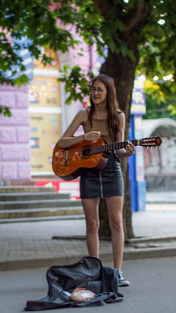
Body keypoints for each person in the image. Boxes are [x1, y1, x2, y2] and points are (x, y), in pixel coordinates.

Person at [56, 74, 135, 287]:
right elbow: (62, 142)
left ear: (109, 92)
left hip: (111, 169)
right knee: (92, 223)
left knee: (116, 221)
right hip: (88, 171)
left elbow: (119, 148)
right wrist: (83, 138)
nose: (95, 93)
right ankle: (96, 270)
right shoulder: (84, 114)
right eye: (93, 89)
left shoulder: (118, 115)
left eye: (100, 89)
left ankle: (117, 272)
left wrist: (127, 152)